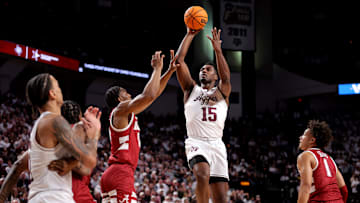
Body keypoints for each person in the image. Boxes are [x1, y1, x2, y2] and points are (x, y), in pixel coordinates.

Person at [0, 73, 101, 203]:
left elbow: (17, 165)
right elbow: (89, 162)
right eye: (58, 86)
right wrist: (94, 135)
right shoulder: (56, 123)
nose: (60, 90)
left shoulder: (42, 129)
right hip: (55, 198)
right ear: (52, 94)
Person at [100, 50, 178, 203]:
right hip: (120, 173)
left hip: (116, 174)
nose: (130, 95)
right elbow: (148, 95)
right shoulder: (120, 110)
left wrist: (169, 71)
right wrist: (157, 69)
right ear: (119, 98)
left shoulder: (123, 114)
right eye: (126, 93)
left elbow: (152, 95)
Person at [174, 27, 231, 203]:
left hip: (217, 144)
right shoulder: (191, 89)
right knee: (202, 174)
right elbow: (179, 61)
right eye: (201, 70)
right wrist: (190, 35)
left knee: (221, 198)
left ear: (215, 77)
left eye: (208, 69)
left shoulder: (221, 93)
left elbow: (226, 78)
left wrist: (218, 50)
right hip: (196, 141)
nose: (203, 71)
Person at [297, 120, 348, 203]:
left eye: (304, 135)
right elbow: (344, 190)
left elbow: (306, 186)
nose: (300, 137)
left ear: (312, 140)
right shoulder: (330, 159)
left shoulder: (305, 156)